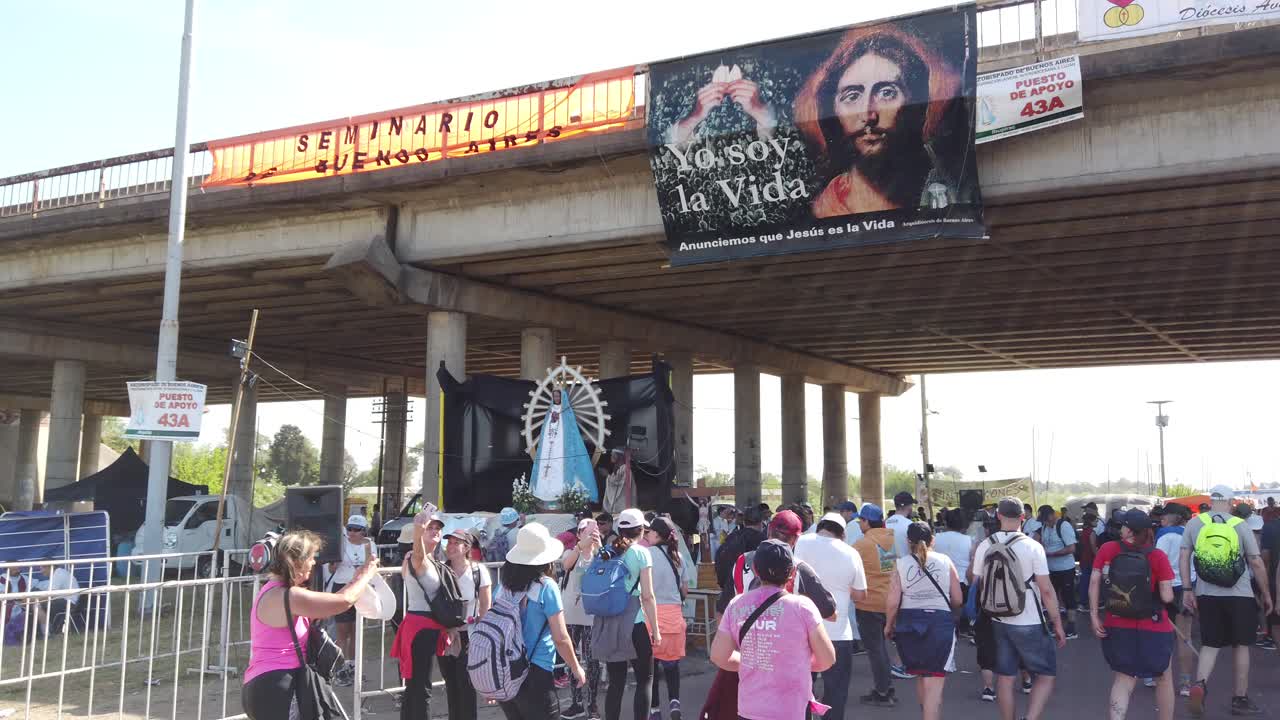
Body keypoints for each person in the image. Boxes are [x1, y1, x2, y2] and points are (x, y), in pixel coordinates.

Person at [793, 28, 963, 217]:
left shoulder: (942, 193)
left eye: (886, 93)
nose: (868, 114)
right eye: (852, 96)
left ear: (915, 104)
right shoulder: (823, 208)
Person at [242, 529, 378, 720]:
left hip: (267, 685)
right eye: (311, 557)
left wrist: (356, 579)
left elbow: (334, 601)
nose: (314, 563)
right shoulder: (290, 596)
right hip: (279, 687)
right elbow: (344, 601)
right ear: (296, 562)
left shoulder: (275, 591)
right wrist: (366, 575)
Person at [711, 540, 837, 720]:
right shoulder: (803, 607)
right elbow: (827, 659)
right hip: (793, 709)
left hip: (750, 708)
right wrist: (789, 663)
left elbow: (719, 656)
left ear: (755, 570)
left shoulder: (736, 605)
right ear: (793, 572)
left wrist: (757, 662)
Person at [1178, 485, 1271, 717]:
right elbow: (1256, 561)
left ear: (1211, 501)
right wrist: (1266, 593)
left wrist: (1188, 589)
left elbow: (1184, 555)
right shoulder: (1239, 525)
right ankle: (1240, 699)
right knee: (1241, 645)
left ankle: (1199, 685)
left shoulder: (1194, 524)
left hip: (1207, 594)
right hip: (1239, 594)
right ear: (1230, 503)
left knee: (1210, 644)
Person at [972, 497, 1066, 720]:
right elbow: (1046, 590)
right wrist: (1057, 623)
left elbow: (976, 581)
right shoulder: (1033, 547)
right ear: (1023, 517)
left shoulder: (986, 545)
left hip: (998, 619)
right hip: (1029, 619)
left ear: (998, 516)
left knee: (1005, 677)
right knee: (1045, 674)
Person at [1089, 509, 1176, 720]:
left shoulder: (1108, 549)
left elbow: (1094, 581)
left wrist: (1094, 615)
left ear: (1129, 530)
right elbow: (1167, 596)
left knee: (1124, 678)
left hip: (1117, 622)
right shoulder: (1157, 555)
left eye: (1123, 525)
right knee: (1163, 677)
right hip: (1154, 625)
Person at [497, 523, 587, 720]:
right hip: (536, 671)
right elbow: (561, 638)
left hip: (506, 671)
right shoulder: (546, 586)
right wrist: (575, 667)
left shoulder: (503, 586)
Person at [885, 522, 962, 720]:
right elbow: (958, 599)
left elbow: (893, 601)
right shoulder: (945, 561)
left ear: (908, 541)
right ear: (932, 540)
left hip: (909, 624)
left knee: (921, 675)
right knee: (934, 682)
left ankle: (928, 714)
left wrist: (889, 625)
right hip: (939, 623)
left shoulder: (901, 563)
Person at [795, 512, 868, 720]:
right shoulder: (850, 553)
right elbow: (861, 595)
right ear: (842, 534)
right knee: (836, 691)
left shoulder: (802, 542)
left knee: (801, 689)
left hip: (802, 631)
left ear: (820, 527)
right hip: (838, 633)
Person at [591, 509, 660, 720]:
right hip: (634, 622)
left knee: (616, 682)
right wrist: (656, 631)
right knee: (645, 679)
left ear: (619, 529)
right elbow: (647, 596)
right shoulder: (641, 553)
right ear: (641, 530)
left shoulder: (607, 550)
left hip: (609, 621)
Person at [718, 510, 836, 620]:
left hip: (745, 633)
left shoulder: (742, 561)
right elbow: (830, 614)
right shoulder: (799, 568)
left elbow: (722, 611)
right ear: (796, 539)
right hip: (786, 634)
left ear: (769, 530)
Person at [393, 506, 454, 720]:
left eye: (437, 527)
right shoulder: (416, 557)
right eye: (430, 527)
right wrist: (419, 530)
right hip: (420, 629)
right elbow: (418, 554)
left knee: (416, 686)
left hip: (424, 627)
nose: (435, 530)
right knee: (421, 687)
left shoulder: (430, 559)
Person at [439, 526, 492, 720]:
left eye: (456, 543)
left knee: (466, 685)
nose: (451, 546)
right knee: (451, 684)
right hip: (444, 635)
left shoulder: (479, 571)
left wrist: (481, 638)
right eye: (449, 542)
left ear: (467, 547)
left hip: (469, 635)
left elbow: (486, 607)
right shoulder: (440, 570)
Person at [853, 503, 899, 706]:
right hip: (887, 600)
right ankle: (886, 686)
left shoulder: (862, 544)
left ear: (867, 522)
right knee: (882, 647)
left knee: (875, 650)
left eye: (860, 521)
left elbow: (850, 568)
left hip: (868, 603)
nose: (859, 524)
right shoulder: (889, 539)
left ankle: (882, 691)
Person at [644, 517, 689, 720]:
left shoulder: (646, 555)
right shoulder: (678, 556)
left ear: (656, 534)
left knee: (651, 668)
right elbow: (685, 590)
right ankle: (674, 702)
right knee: (672, 665)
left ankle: (654, 709)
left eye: (649, 532)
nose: (647, 535)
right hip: (674, 618)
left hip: (651, 618)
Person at [560, 518, 603, 720]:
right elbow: (566, 565)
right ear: (578, 534)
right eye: (585, 531)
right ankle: (576, 702)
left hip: (592, 615)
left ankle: (592, 704)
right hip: (571, 614)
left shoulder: (600, 555)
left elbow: (607, 570)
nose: (590, 535)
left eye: (594, 531)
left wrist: (599, 547)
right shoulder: (571, 552)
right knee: (572, 660)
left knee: (593, 661)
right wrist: (580, 547)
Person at [328, 514, 376, 686]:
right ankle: (341, 669)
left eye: (356, 530)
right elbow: (331, 568)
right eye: (349, 529)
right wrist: (335, 562)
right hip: (342, 587)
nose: (352, 533)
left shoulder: (370, 544)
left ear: (364, 531)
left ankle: (354, 667)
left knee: (357, 631)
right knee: (343, 632)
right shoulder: (341, 544)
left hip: (361, 589)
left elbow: (372, 565)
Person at [1155, 503, 1194, 696]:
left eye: (1164, 515)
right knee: (1185, 636)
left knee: (1162, 635)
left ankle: (1160, 677)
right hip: (1187, 587)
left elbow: (1157, 562)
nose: (1160, 518)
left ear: (1173, 517)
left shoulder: (1164, 535)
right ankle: (1185, 682)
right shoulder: (1191, 534)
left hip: (1166, 588)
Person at [1038, 506, 1079, 639]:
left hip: (1066, 568)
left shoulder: (1064, 526)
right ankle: (1053, 623)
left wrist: (1052, 554)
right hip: (1051, 569)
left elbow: (1071, 548)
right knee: (1051, 596)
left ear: (1051, 515)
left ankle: (1071, 626)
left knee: (1068, 597)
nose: (1045, 522)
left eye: (1046, 519)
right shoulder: (1045, 527)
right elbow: (1043, 543)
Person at [933, 509, 973, 636]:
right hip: (961, 581)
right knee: (959, 608)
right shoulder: (969, 540)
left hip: (939, 579)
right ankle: (960, 629)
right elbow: (972, 562)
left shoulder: (936, 538)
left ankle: (945, 628)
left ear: (946, 522)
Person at [714, 506, 766, 591]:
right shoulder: (764, 542)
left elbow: (719, 560)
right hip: (754, 592)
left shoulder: (731, 538)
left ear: (744, 523)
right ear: (761, 523)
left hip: (729, 590)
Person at [30, 563, 80, 634]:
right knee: (39, 602)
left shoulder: (58, 573)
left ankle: (47, 634)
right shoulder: (59, 573)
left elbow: (50, 595)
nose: (41, 571)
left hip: (68, 602)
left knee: (37, 605)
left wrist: (31, 600)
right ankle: (48, 630)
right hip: (70, 602)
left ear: (49, 567)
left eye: (42, 568)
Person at [1077, 512, 1101, 613]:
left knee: (1084, 581)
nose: (1097, 522)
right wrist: (1099, 557)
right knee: (1090, 582)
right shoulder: (1091, 532)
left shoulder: (1084, 531)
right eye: (1096, 521)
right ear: (1091, 522)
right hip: (1090, 560)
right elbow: (1093, 546)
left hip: (1083, 559)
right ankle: (1085, 603)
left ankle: (1083, 602)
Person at [885, 491, 916, 562]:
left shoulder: (885, 523)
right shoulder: (910, 525)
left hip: (889, 566)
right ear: (909, 506)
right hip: (906, 566)